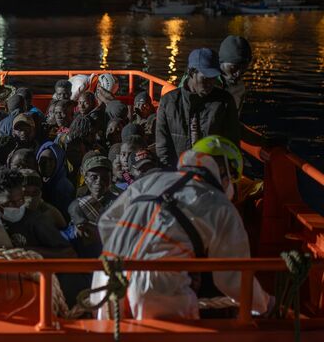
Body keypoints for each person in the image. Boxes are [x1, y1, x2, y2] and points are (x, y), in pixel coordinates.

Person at [92, 137, 271, 320]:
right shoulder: (219, 203)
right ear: (226, 172)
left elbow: (106, 222)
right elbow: (234, 277)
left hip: (107, 277)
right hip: (159, 286)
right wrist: (264, 304)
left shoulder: (150, 181)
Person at [156, 48, 240, 168]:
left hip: (211, 175)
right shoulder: (168, 102)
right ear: (191, 73)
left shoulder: (224, 102)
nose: (210, 83)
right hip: (177, 174)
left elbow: (232, 144)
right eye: (205, 78)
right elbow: (162, 149)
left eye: (213, 78)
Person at [0, 167, 75, 258]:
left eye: (20, 200)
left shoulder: (36, 220)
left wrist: (24, 251)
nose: (17, 207)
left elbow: (69, 253)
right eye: (10, 203)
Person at [66, 152, 118, 256]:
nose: (99, 181)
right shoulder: (79, 202)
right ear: (85, 179)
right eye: (94, 177)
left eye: (104, 177)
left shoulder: (118, 204)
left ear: (111, 179)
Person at [36, 141, 75, 215]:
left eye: (51, 160)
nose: (46, 164)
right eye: (43, 159)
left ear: (58, 162)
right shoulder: (36, 182)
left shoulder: (64, 187)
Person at [218, 35, 252, 113]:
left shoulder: (239, 88)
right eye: (233, 67)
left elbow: (234, 121)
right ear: (221, 62)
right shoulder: (205, 83)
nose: (238, 73)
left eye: (243, 68)